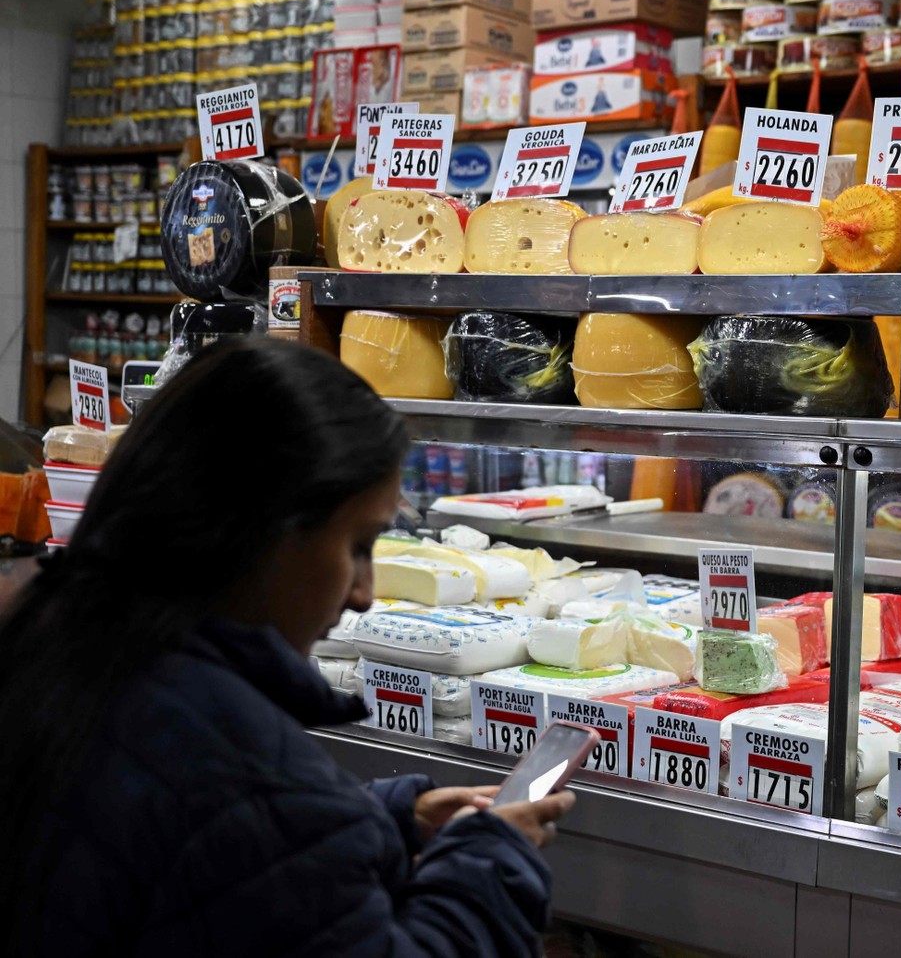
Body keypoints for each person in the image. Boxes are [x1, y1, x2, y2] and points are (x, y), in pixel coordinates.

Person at [0, 340, 573, 957]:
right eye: (357, 544)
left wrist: (376, 817)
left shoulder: (60, 635)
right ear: (262, 532)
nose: (363, 593)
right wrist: (490, 860)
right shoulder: (235, 761)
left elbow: (201, 839)